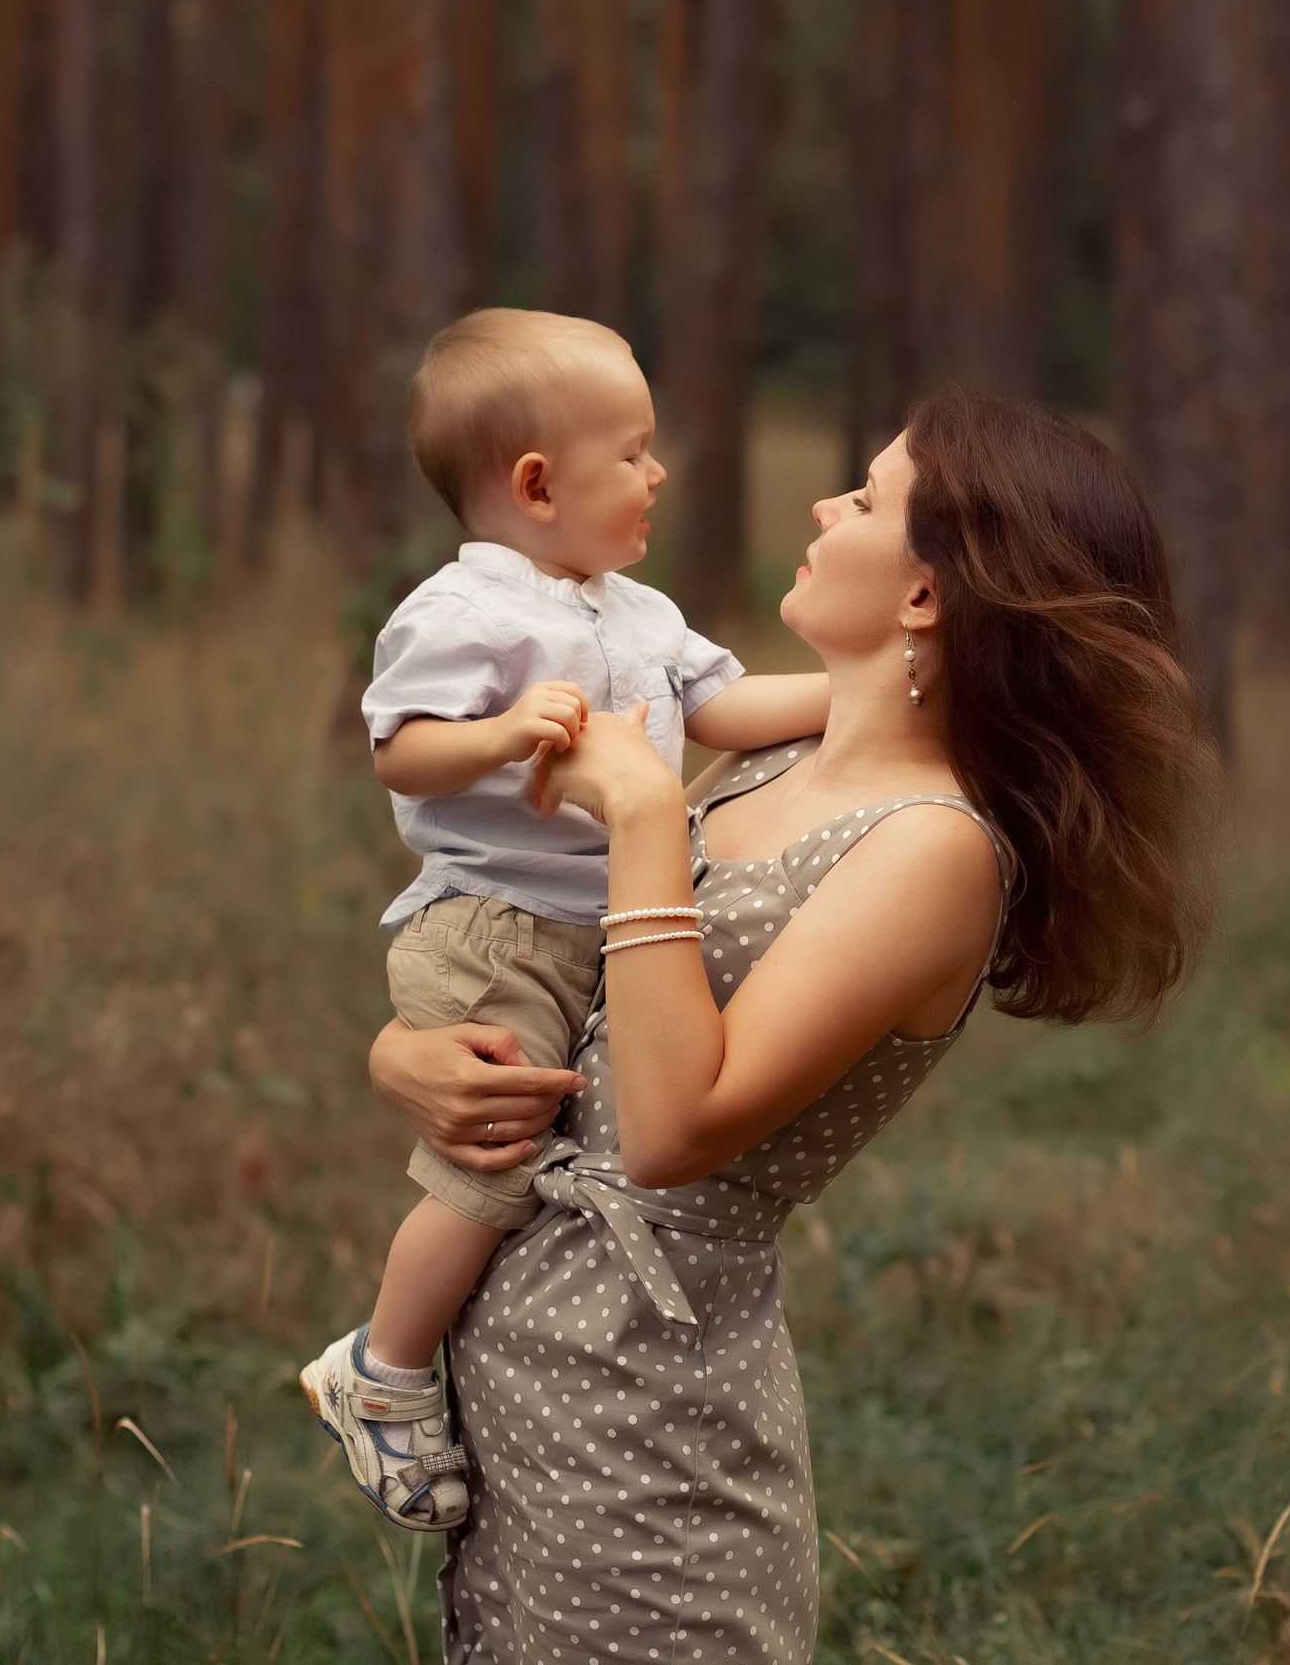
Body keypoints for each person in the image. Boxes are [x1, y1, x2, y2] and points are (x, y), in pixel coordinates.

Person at [367, 390, 1222, 1663]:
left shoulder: (931, 848)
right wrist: (409, 1058)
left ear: (926, 597)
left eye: (868, 499)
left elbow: (669, 1132)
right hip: (522, 1368)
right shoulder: (778, 763)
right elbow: (593, 1003)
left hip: (648, 1419)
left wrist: (648, 813)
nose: (825, 507)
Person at [299, 309, 832, 1532]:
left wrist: (872, 696)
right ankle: (378, 1372)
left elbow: (734, 705)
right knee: (488, 1169)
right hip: (494, 925)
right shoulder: (466, 611)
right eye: (634, 453)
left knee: (551, 1147)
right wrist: (503, 734)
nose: (659, 474)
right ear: (537, 484)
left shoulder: (636, 611)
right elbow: (402, 754)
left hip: (590, 930)